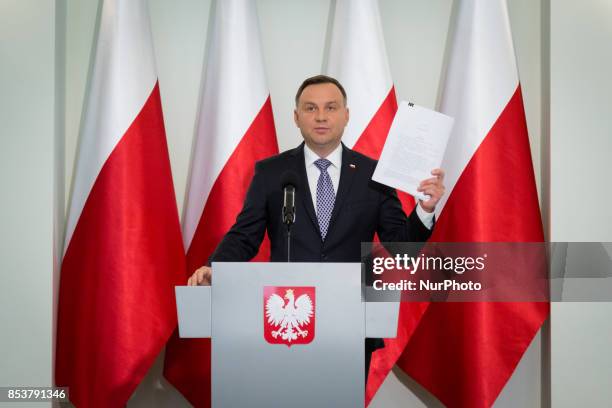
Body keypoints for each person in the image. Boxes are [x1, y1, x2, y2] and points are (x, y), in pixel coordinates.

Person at [187, 74, 445, 378]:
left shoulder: (373, 174)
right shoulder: (271, 172)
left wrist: (425, 210)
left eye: (331, 107)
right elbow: (245, 235)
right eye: (310, 108)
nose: (321, 116)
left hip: (351, 320)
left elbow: (401, 248)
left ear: (346, 115)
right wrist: (215, 268)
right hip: (287, 320)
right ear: (296, 117)